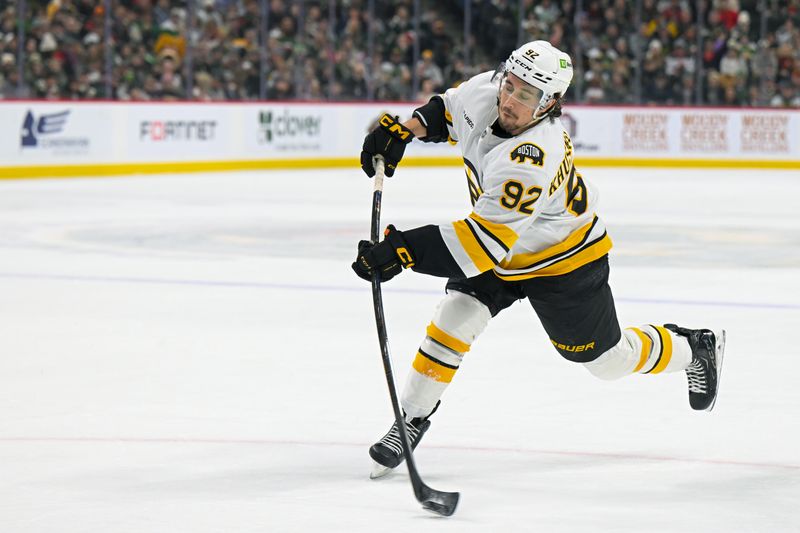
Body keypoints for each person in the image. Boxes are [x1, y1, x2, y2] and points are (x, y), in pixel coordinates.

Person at [353, 40, 726, 478]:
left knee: (607, 362)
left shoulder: (532, 156)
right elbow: (449, 110)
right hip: (504, 245)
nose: (510, 100)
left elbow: (479, 245)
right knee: (455, 316)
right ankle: (410, 419)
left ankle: (693, 347)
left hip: (564, 258)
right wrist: (405, 129)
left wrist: (403, 251)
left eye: (526, 95)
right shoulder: (488, 91)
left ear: (549, 104)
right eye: (509, 85)